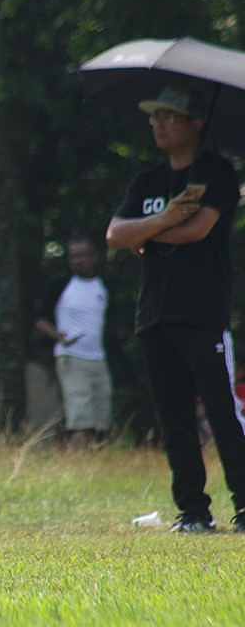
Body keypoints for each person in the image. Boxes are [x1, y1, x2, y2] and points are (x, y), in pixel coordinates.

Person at [106, 84, 245, 534]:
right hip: (155, 314)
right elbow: (114, 236)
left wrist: (144, 233)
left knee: (223, 413)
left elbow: (197, 230)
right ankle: (193, 512)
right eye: (154, 117)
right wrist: (163, 219)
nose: (158, 124)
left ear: (195, 123)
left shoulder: (217, 172)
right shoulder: (146, 182)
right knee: (175, 420)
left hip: (202, 312)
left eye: (168, 116)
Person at [34, 235, 114, 449]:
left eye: (84, 255)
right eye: (74, 256)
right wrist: (57, 335)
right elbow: (40, 319)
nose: (80, 261)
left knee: (101, 416)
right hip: (72, 357)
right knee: (80, 417)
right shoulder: (60, 285)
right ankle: (75, 459)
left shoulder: (103, 286)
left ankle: (93, 457)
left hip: (98, 357)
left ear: (95, 257)